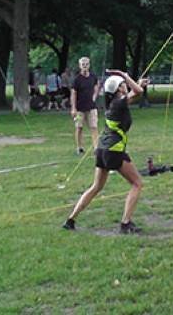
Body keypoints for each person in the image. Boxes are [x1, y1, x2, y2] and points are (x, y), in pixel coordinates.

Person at [62, 70, 148, 234]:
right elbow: (138, 92)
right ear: (119, 89)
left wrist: (133, 82)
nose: (124, 86)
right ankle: (125, 223)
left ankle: (70, 220)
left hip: (102, 150)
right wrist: (125, 75)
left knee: (96, 187)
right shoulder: (119, 103)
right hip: (114, 150)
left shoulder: (114, 103)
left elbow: (134, 92)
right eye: (122, 84)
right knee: (137, 183)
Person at [70, 57, 100, 154]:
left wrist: (95, 96)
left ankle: (96, 147)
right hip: (79, 109)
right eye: (83, 65)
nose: (85, 66)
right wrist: (73, 108)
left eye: (86, 64)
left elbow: (96, 86)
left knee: (94, 127)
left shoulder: (93, 77)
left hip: (91, 107)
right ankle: (79, 147)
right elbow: (73, 94)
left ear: (89, 65)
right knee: (79, 127)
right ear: (80, 66)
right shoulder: (77, 79)